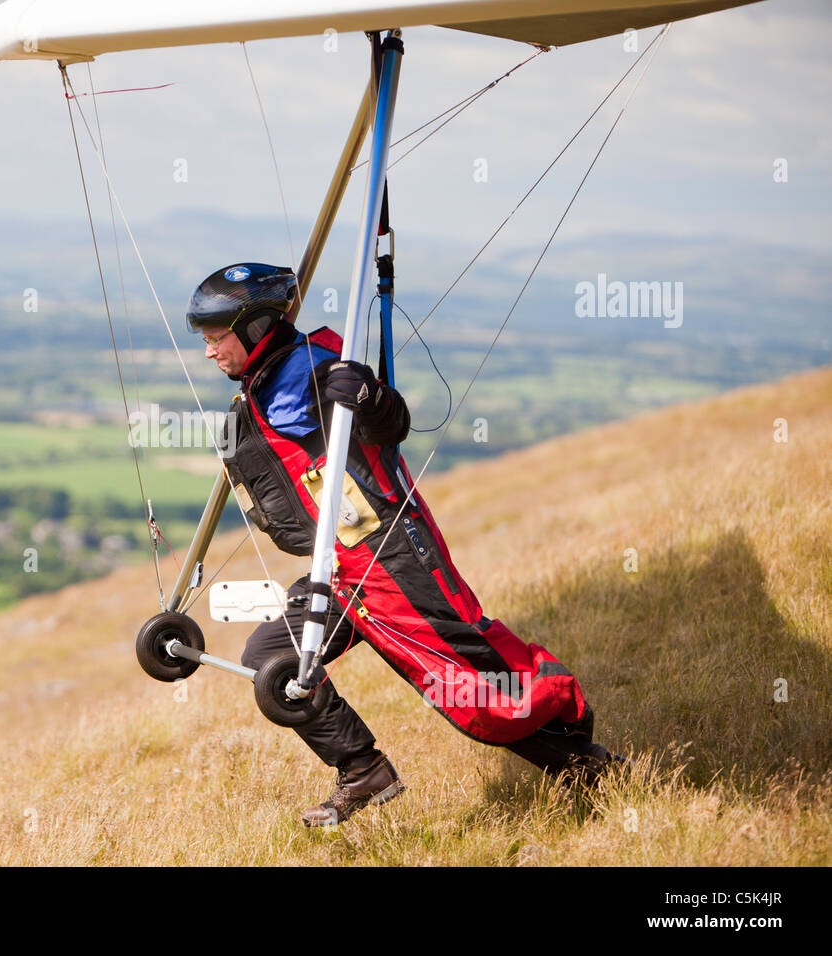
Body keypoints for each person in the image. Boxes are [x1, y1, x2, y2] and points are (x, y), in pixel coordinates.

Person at [188, 262, 623, 827]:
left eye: (216, 337)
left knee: (465, 682)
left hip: (392, 555)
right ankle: (363, 770)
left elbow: (387, 424)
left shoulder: (316, 369)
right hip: (341, 568)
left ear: (254, 328)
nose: (207, 352)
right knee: (272, 659)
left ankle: (582, 756)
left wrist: (367, 396)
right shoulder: (264, 382)